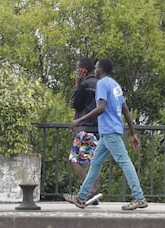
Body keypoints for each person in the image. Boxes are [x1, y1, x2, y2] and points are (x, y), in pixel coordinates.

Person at [64, 58, 148, 210]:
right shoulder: (115, 85)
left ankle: (139, 197)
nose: (95, 70)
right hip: (107, 132)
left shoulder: (102, 83)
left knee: (124, 162)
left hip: (109, 131)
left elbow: (101, 107)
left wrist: (79, 120)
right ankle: (82, 198)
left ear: (101, 70)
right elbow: (125, 109)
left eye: (96, 68)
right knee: (95, 164)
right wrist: (132, 133)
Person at [67, 57, 101, 206]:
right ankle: (93, 192)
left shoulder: (85, 84)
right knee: (94, 162)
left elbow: (74, 104)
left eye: (77, 69)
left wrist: (76, 85)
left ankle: (91, 190)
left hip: (85, 128)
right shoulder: (100, 84)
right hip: (97, 128)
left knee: (74, 159)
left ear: (82, 70)